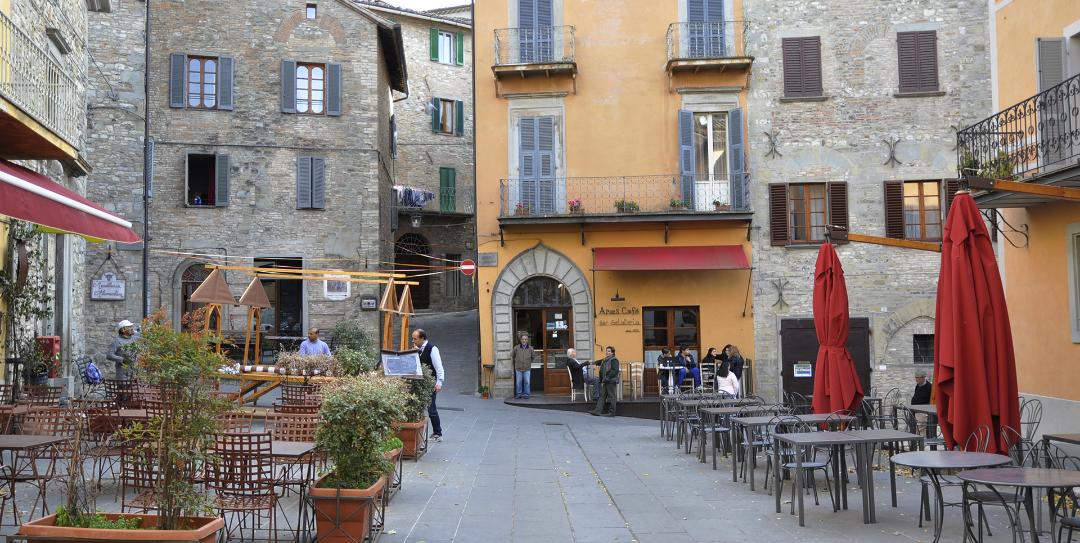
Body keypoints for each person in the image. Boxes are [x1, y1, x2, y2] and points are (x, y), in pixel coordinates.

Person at [411, 328, 445, 441]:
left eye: (415, 339)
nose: (413, 341)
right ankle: (421, 432)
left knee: (431, 408)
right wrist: (415, 353)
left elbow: (439, 367)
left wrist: (439, 382)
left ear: (422, 338)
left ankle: (438, 433)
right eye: (412, 338)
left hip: (430, 383)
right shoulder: (418, 349)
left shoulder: (432, 349)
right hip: (420, 383)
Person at [589, 346, 620, 417]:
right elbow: (599, 362)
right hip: (605, 381)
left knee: (612, 397)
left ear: (612, 352)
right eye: (606, 351)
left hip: (610, 381)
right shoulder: (605, 359)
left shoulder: (614, 360)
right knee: (602, 396)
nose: (607, 352)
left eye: (609, 351)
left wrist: (608, 377)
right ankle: (597, 411)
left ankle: (612, 413)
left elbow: (615, 370)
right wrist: (592, 363)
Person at [512, 333, 534, 399]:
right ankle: (519, 394)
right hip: (518, 368)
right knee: (518, 382)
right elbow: (513, 356)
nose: (524, 340)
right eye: (523, 339)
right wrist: (517, 362)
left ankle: (526, 394)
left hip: (527, 368)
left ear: (527, 340)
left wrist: (528, 363)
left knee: (527, 382)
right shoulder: (516, 348)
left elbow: (533, 357)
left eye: (525, 339)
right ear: (520, 340)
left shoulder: (530, 348)